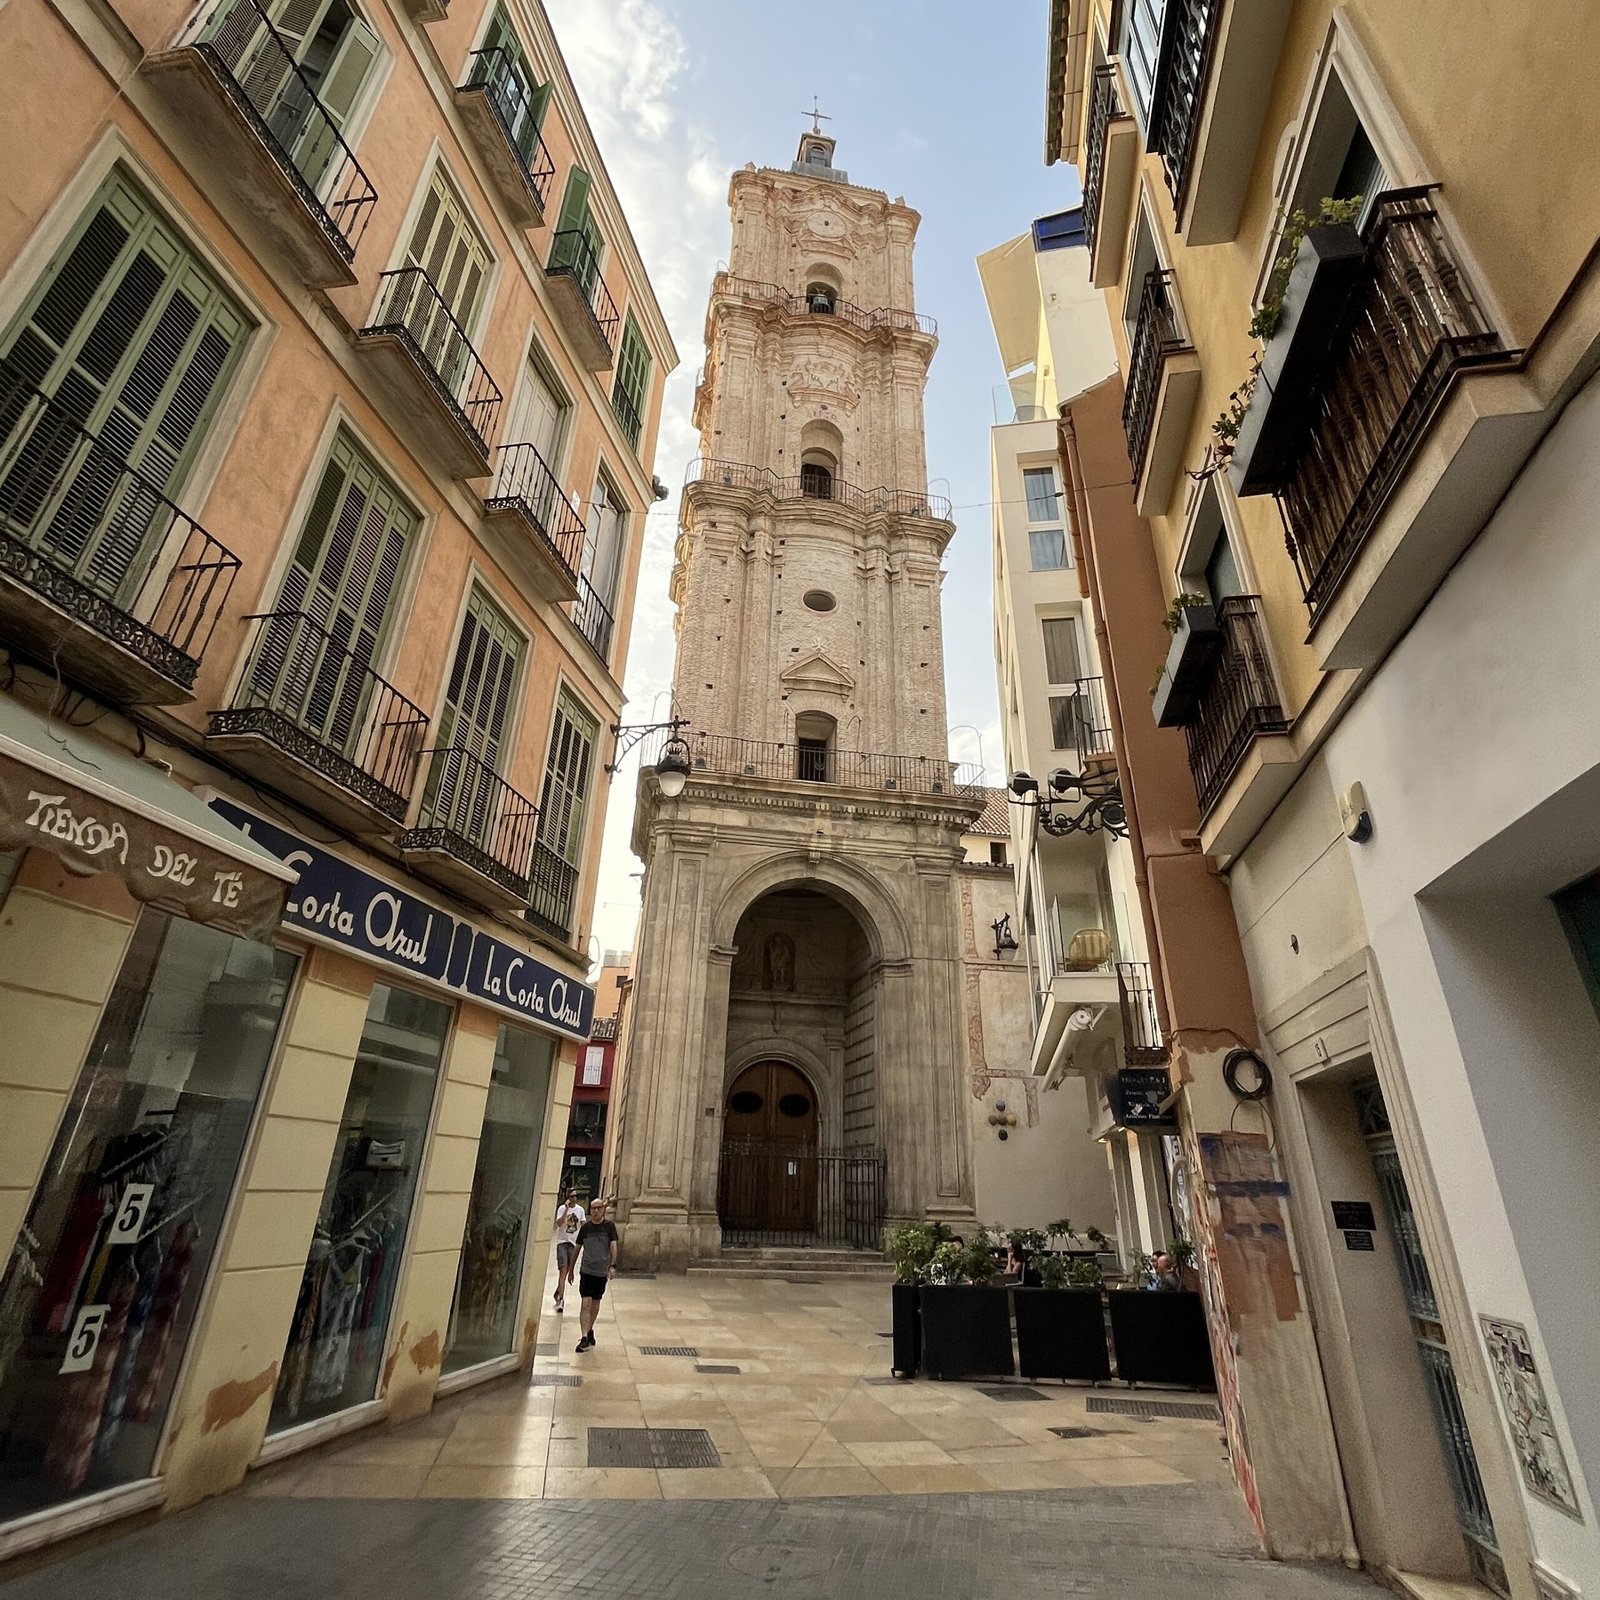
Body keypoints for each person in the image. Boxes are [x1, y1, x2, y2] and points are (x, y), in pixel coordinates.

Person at [572, 1197, 619, 1353]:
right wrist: (571, 1269)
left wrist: (612, 1266)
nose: (596, 1211)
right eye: (593, 1208)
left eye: (599, 1208)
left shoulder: (609, 1227)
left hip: (600, 1272)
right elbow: (577, 1249)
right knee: (585, 1303)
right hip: (586, 1271)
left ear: (603, 1210)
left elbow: (613, 1247)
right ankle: (584, 1337)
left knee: (595, 1303)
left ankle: (589, 1329)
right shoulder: (586, 1228)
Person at [552, 1189, 585, 1313]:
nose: (574, 1198)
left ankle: (558, 1291)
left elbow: (583, 1224)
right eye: (571, 1196)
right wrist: (566, 1210)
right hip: (562, 1243)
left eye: (576, 1196)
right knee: (563, 1270)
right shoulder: (561, 1209)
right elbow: (559, 1224)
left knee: (566, 1273)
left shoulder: (580, 1210)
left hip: (573, 1244)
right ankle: (561, 1299)